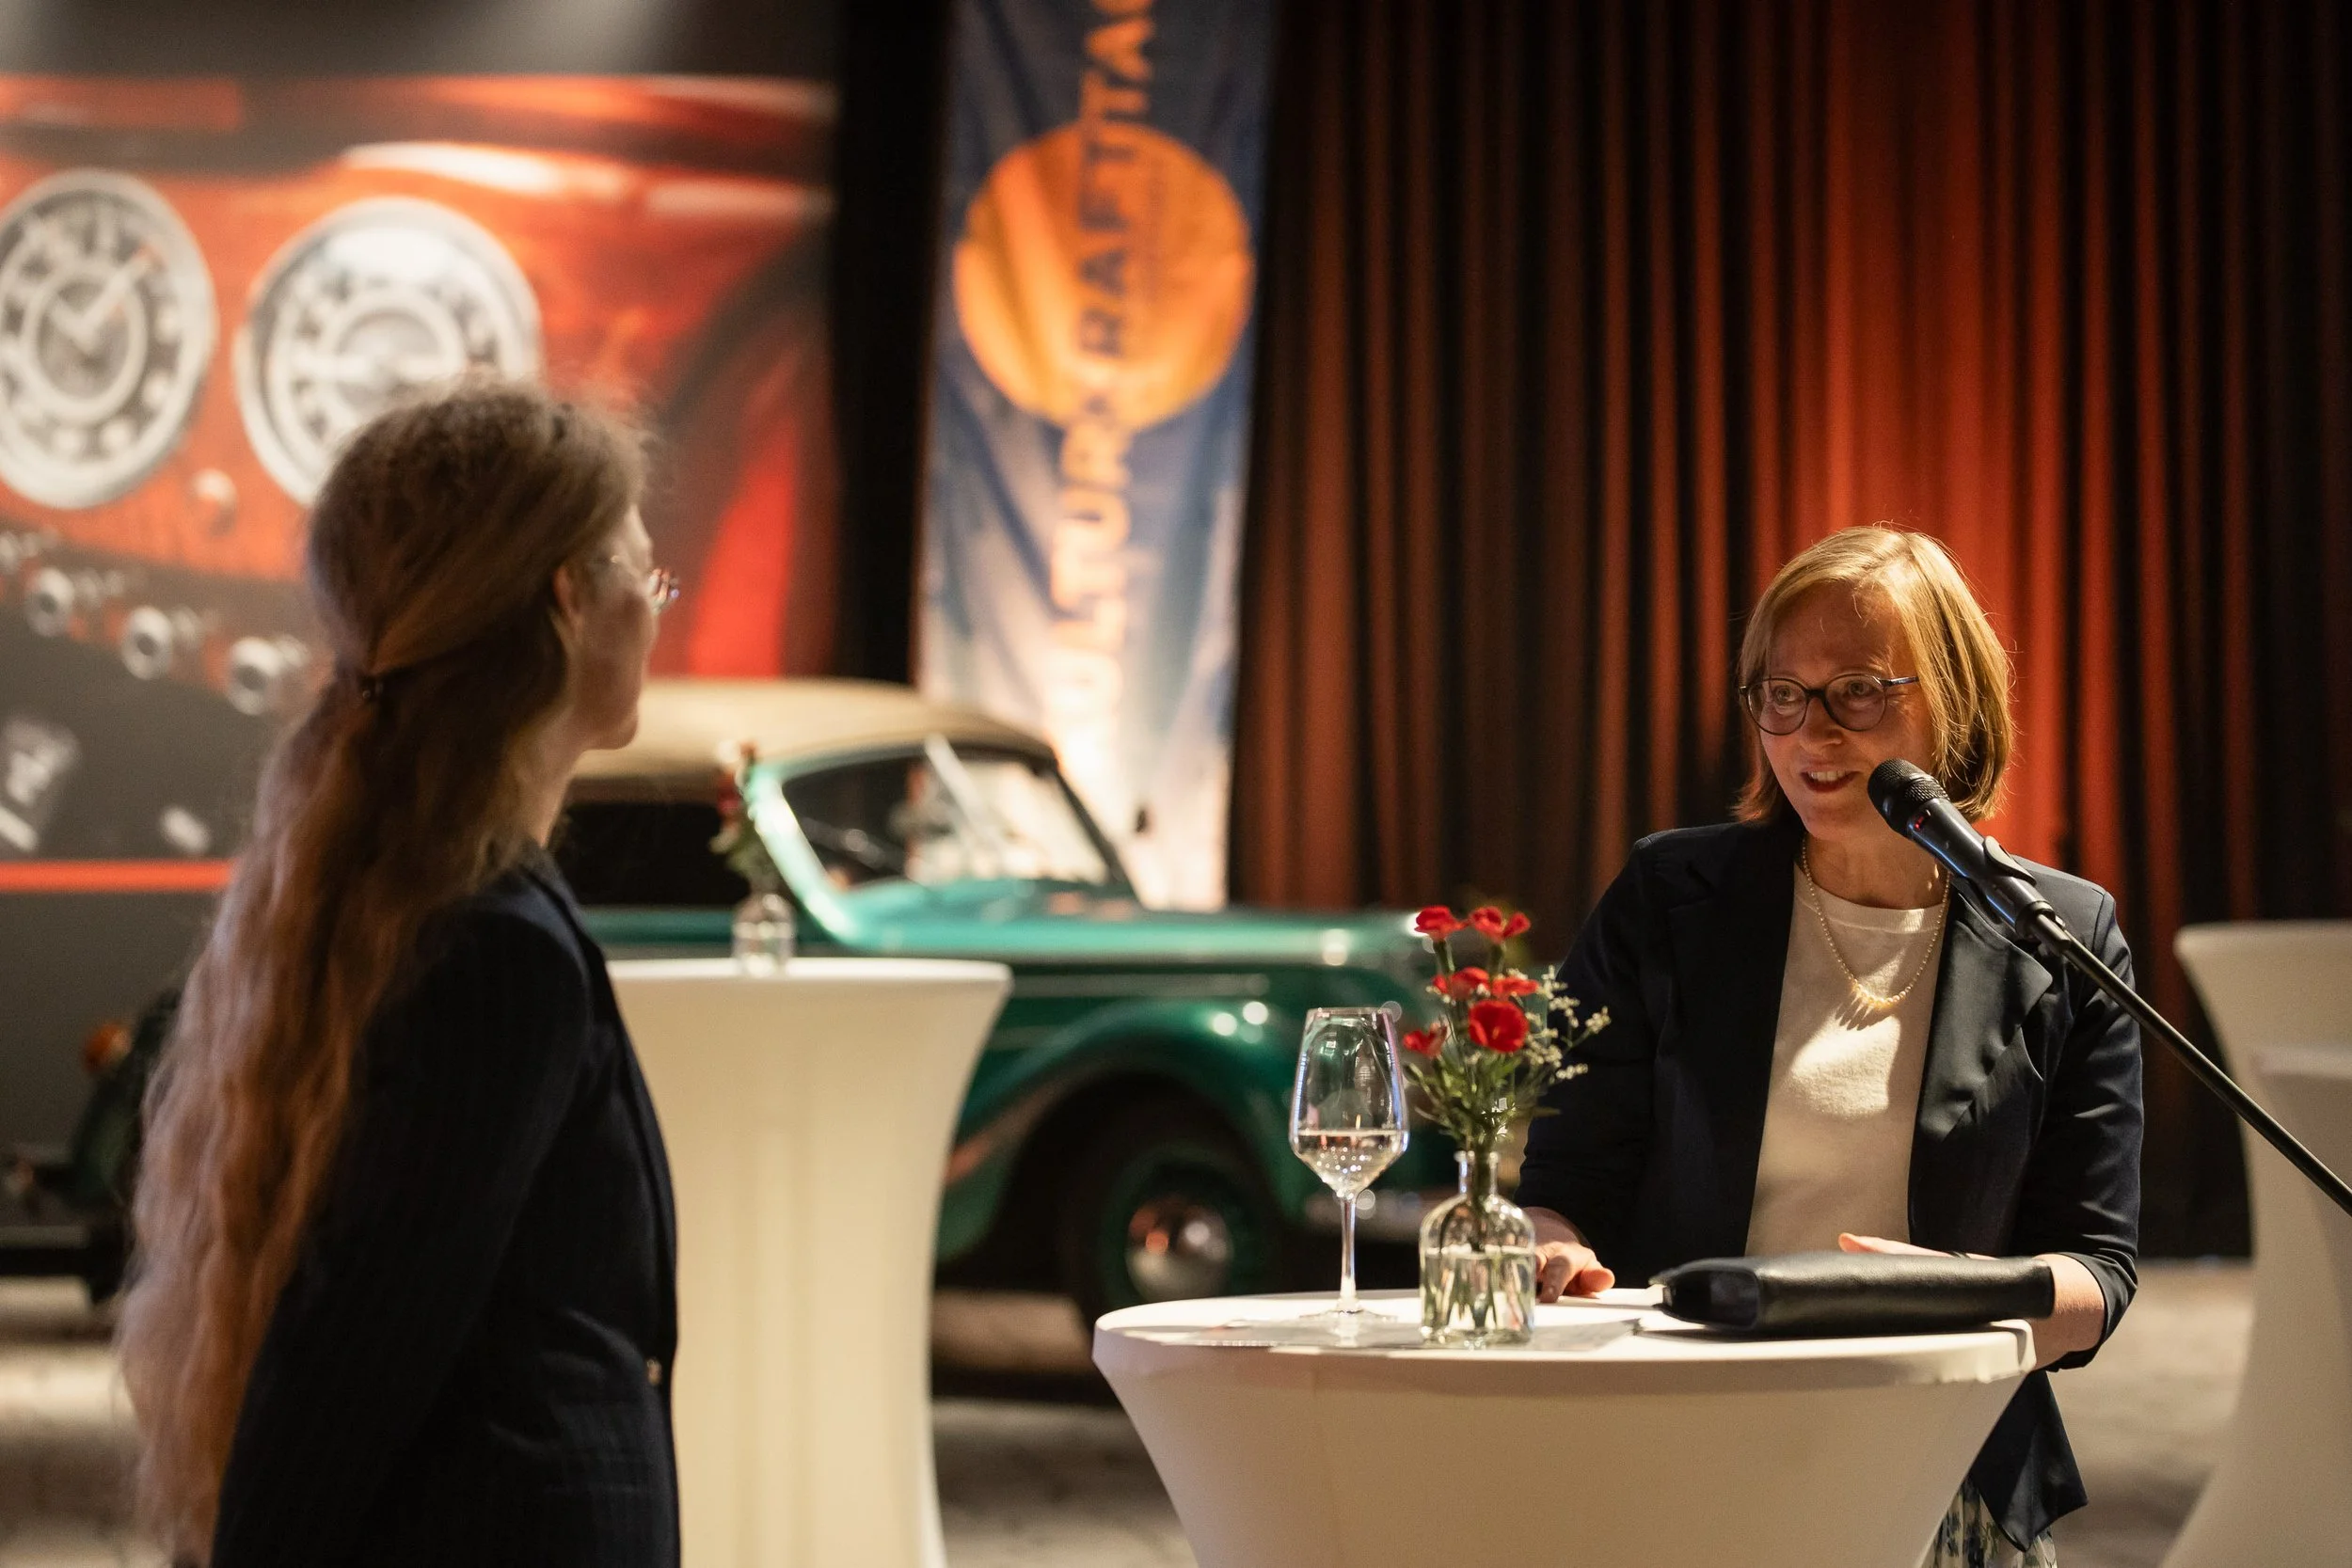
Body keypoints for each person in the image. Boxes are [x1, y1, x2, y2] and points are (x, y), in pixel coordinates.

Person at [117, 381, 685, 1567]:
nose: (657, 610)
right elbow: (351, 1349)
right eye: (648, 576)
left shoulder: (404, 902)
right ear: (568, 597)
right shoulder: (496, 950)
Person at [1516, 527, 2141, 1567]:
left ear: (1953, 700)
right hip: (1686, 1443)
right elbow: (1565, 1184)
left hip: (1939, 1467)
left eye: (1857, 691)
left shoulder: (2062, 937)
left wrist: (1965, 1294)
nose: (1812, 731)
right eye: (1782, 693)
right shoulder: (1669, 900)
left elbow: (2098, 1274)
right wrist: (1551, 1246)